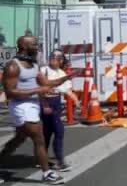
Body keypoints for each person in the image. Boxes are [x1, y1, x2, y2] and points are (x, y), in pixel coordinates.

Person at [1, 36, 79, 184]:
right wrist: (38, 90)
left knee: (18, 140)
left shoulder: (34, 65)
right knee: (39, 138)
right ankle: (47, 173)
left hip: (33, 105)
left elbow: (47, 83)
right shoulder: (13, 66)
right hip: (21, 107)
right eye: (33, 44)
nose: (37, 46)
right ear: (23, 46)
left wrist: (68, 77)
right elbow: (10, 92)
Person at [39, 50, 79, 172]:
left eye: (57, 56)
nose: (53, 58)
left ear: (61, 60)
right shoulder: (43, 70)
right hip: (47, 103)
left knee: (47, 132)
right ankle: (60, 161)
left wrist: (76, 101)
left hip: (56, 103)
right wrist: (45, 105)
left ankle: (42, 159)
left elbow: (67, 90)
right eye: (52, 55)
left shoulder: (61, 73)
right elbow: (40, 89)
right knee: (58, 130)